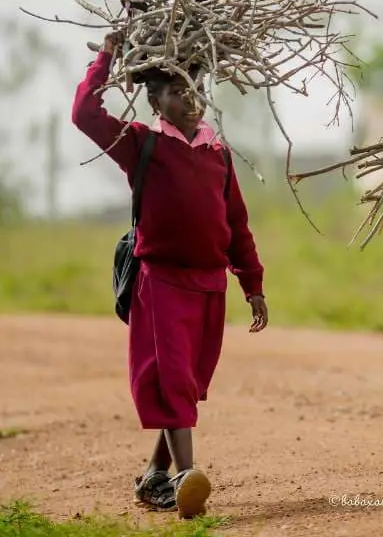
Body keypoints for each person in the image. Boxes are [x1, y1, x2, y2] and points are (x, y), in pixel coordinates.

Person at [72, 32, 268, 517]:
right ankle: (185, 475)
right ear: (154, 99)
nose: (190, 99)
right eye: (177, 91)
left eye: (196, 88)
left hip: (210, 285)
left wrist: (252, 282)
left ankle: (155, 476)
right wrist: (108, 55)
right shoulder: (142, 143)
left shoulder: (216, 153)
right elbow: (84, 114)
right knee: (174, 380)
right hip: (161, 281)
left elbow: (236, 223)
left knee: (189, 383)